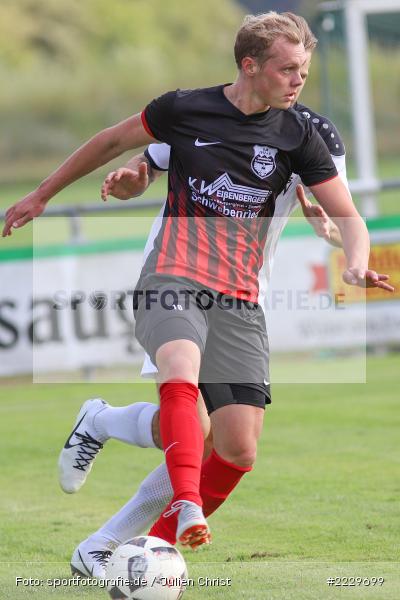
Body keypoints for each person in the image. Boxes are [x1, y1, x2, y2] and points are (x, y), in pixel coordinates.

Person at [3, 11, 393, 565]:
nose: (298, 79)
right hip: (174, 274)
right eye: (288, 69)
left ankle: (106, 463)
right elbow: (131, 149)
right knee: (184, 390)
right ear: (250, 65)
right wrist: (65, 191)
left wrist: (352, 258)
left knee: (227, 443)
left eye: (304, 69)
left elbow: (343, 217)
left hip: (242, 291)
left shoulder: (307, 134)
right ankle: (173, 514)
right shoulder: (188, 109)